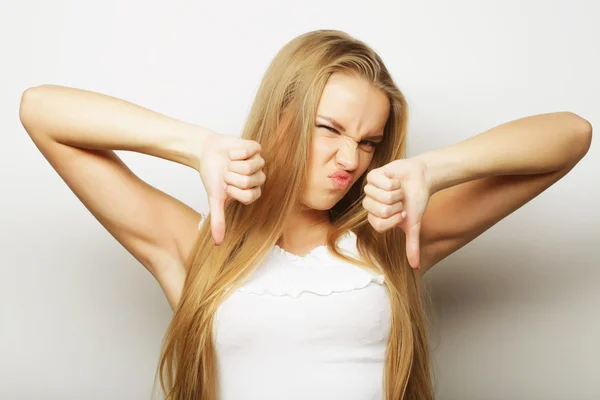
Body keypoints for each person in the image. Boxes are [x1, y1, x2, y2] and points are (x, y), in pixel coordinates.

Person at [19, 29, 592, 400]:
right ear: (280, 117)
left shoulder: (390, 239)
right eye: (331, 129)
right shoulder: (199, 247)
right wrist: (194, 145)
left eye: (369, 142)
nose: (352, 159)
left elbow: (571, 136)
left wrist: (435, 170)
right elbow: (41, 111)